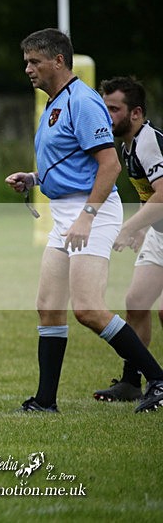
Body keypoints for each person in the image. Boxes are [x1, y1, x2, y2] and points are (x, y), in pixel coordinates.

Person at [5, 28, 163, 413]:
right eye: (26, 61)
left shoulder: (83, 101)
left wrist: (87, 217)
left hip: (91, 211)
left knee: (89, 309)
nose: (28, 69)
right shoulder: (56, 103)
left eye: (34, 61)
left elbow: (108, 165)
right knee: (49, 308)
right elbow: (70, 162)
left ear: (58, 61)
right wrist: (35, 177)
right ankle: (45, 402)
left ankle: (158, 380)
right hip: (66, 214)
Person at [92, 76, 163, 402]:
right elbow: (148, 193)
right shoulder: (128, 146)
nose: (107, 116)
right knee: (136, 304)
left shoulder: (149, 141)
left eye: (114, 109)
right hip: (159, 235)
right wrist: (143, 227)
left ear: (135, 113)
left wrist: (127, 227)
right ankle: (131, 382)